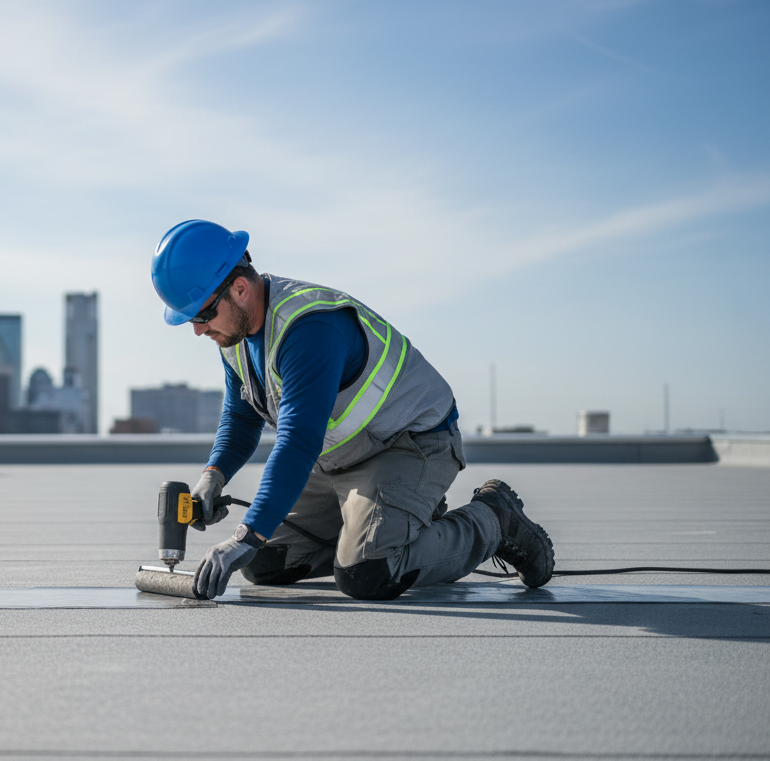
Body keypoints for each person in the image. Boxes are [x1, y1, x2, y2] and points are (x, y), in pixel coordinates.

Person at [150, 220, 555, 600]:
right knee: (262, 562)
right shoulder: (234, 335)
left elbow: (297, 443)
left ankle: (494, 519)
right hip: (341, 457)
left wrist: (246, 534)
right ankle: (398, 522)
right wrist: (214, 476)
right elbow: (241, 418)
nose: (198, 329)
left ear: (240, 289)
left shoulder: (308, 329)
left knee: (368, 571)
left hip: (410, 443)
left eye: (202, 314)